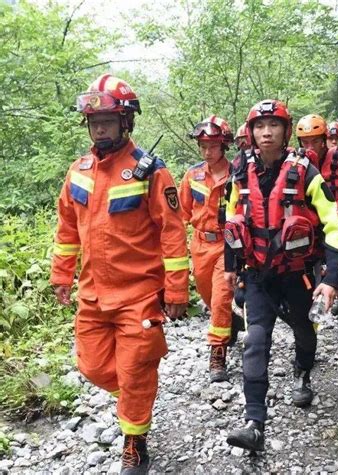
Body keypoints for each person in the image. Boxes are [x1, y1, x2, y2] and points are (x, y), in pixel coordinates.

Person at [50, 74, 189, 474]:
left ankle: (135, 443)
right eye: (94, 121)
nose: (100, 128)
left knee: (135, 370)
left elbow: (172, 232)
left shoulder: (149, 172)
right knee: (92, 366)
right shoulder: (79, 170)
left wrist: (176, 291)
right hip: (93, 295)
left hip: (139, 296)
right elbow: (66, 230)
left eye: (108, 120)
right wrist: (62, 275)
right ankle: (136, 388)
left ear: (126, 122)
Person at [224, 99, 338, 451]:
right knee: (254, 341)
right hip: (258, 274)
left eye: (273, 125)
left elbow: (333, 224)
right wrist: (231, 268)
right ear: (250, 132)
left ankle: (303, 371)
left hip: (298, 274)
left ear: (285, 131)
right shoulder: (240, 170)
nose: (266, 132)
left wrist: (331, 278)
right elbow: (231, 219)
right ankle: (254, 423)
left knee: (305, 332)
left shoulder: (305, 170)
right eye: (259, 126)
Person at [178, 116, 235, 382]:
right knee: (209, 296)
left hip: (226, 244)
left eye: (212, 145)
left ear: (223, 145)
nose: (207, 151)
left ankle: (217, 353)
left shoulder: (237, 174)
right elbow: (181, 213)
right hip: (200, 244)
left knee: (221, 297)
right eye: (203, 145)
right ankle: (233, 324)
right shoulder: (192, 175)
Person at [296, 115, 338, 339]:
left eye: (315, 141)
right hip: (311, 226)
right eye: (305, 142)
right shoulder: (297, 163)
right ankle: (307, 325)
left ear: (324, 141)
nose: (310, 147)